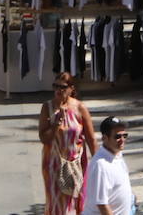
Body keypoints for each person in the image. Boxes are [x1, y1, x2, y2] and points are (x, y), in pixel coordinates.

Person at [38, 72, 96, 214]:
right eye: (55, 86)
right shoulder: (47, 108)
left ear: (71, 88)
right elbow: (44, 138)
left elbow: (91, 139)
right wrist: (56, 124)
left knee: (77, 202)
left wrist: (99, 163)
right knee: (57, 205)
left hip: (76, 164)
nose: (58, 90)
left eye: (63, 87)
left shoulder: (80, 108)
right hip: (54, 165)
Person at [84, 116, 134, 215]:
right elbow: (102, 204)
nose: (122, 140)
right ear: (105, 138)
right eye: (117, 136)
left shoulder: (117, 155)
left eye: (125, 135)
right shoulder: (101, 165)